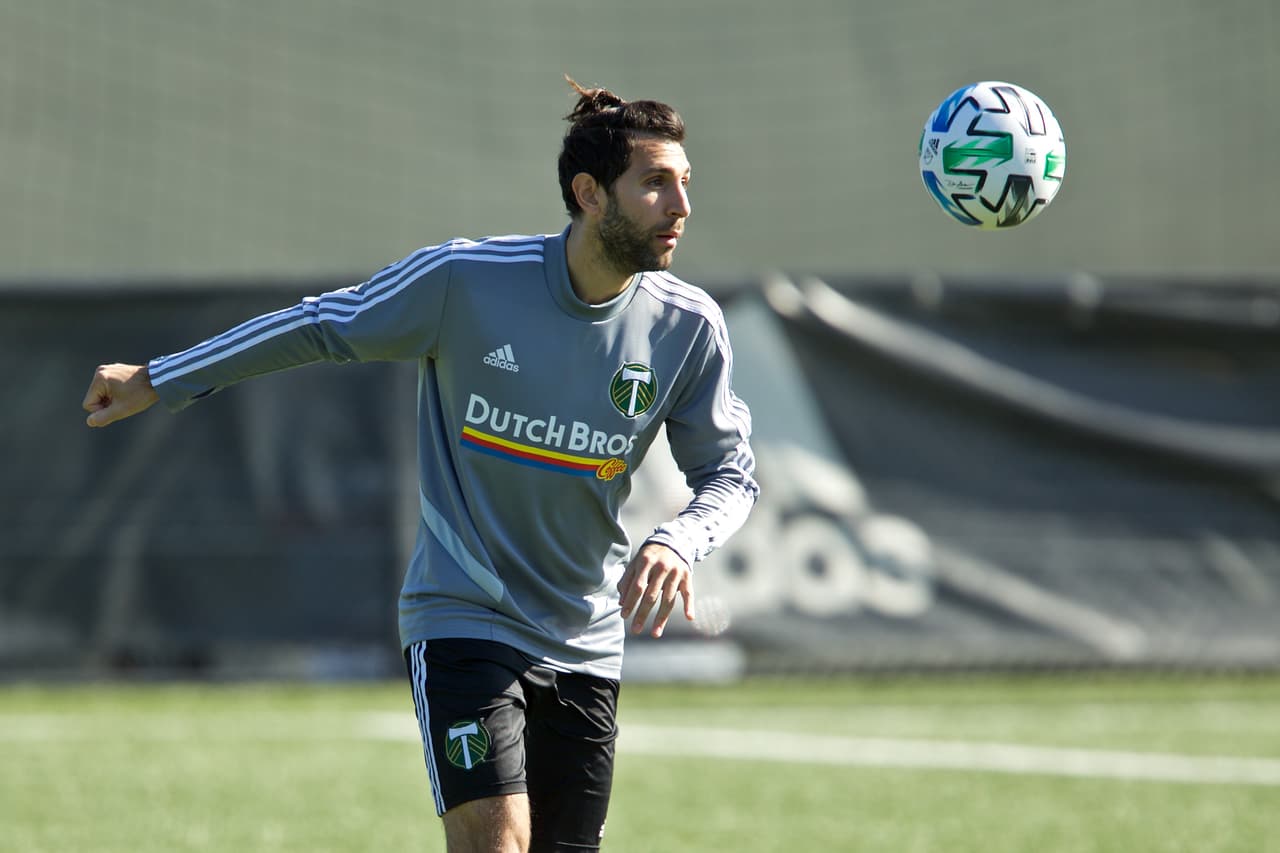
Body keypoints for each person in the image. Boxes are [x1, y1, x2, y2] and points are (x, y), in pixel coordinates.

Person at [81, 77, 759, 853]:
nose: (681, 205)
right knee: (496, 842)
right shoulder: (466, 281)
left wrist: (679, 539)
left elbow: (731, 473)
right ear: (589, 193)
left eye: (684, 182)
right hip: (464, 616)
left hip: (585, 636)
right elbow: (320, 325)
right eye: (656, 183)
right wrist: (161, 377)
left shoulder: (687, 327)